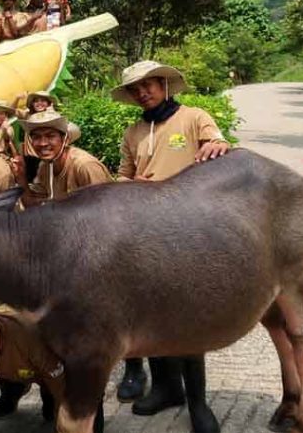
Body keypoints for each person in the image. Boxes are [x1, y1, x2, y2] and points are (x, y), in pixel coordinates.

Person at [111, 60, 229, 425]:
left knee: (187, 317)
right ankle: (165, 388)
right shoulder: (132, 132)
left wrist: (217, 144)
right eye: (135, 89)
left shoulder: (194, 117)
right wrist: (129, 188)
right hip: (145, 233)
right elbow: (122, 177)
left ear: (164, 83)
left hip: (188, 231)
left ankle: (198, 402)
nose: (142, 92)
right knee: (149, 313)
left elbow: (217, 143)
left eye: (148, 85)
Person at [0, 288, 104, 433]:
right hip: (22, 368)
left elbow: (60, 387)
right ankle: (12, 390)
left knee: (65, 412)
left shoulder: (28, 336)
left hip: (67, 365)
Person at [16, 111, 112, 207]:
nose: (43, 143)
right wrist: (21, 177)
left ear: (65, 140)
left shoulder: (84, 166)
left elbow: (106, 208)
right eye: (36, 137)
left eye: (50, 136)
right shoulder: (45, 166)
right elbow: (33, 207)